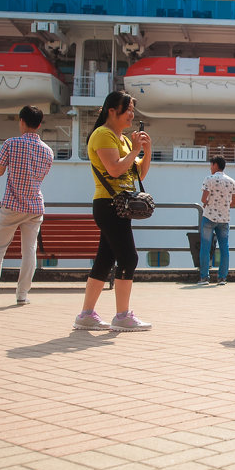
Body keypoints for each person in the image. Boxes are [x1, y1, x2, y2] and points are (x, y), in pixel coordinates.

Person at [75, 91, 152, 332]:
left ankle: (86, 314)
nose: (131, 114)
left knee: (104, 260)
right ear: (111, 110)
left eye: (132, 110)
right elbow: (115, 169)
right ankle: (122, 315)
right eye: (127, 109)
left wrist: (145, 151)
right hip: (109, 204)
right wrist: (134, 150)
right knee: (129, 258)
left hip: (119, 206)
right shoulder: (103, 135)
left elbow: (138, 173)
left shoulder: (123, 139)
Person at [0, 105, 55, 308]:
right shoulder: (48, 151)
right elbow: (40, 177)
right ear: (40, 124)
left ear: (21, 121)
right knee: (29, 251)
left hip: (11, 204)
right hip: (35, 206)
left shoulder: (11, 143)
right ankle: (22, 295)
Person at [197, 155, 235, 286]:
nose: (210, 167)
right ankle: (222, 278)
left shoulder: (209, 179)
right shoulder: (231, 181)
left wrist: (209, 202)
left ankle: (204, 278)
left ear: (215, 165)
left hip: (209, 216)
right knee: (224, 248)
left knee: (205, 247)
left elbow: (204, 199)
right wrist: (223, 204)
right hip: (224, 218)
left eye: (211, 165)